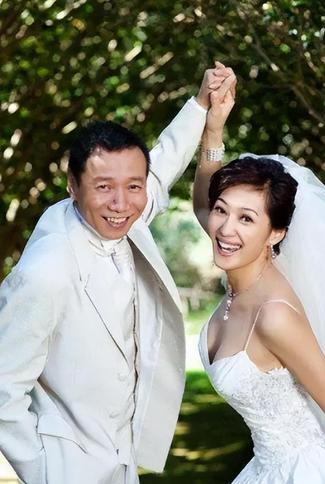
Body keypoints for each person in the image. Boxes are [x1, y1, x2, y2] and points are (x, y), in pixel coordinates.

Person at [0, 64, 236, 484]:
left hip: (121, 463)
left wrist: (202, 105)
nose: (121, 203)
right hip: (68, 469)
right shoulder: (45, 272)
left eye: (133, 186)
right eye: (104, 186)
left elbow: (163, 164)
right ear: (72, 186)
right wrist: (43, 472)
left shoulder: (127, 214)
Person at [192, 85, 325, 483]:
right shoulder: (241, 272)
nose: (224, 228)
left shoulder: (274, 315)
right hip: (266, 466)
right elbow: (203, 204)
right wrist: (214, 128)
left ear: (275, 234)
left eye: (247, 218)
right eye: (223, 211)